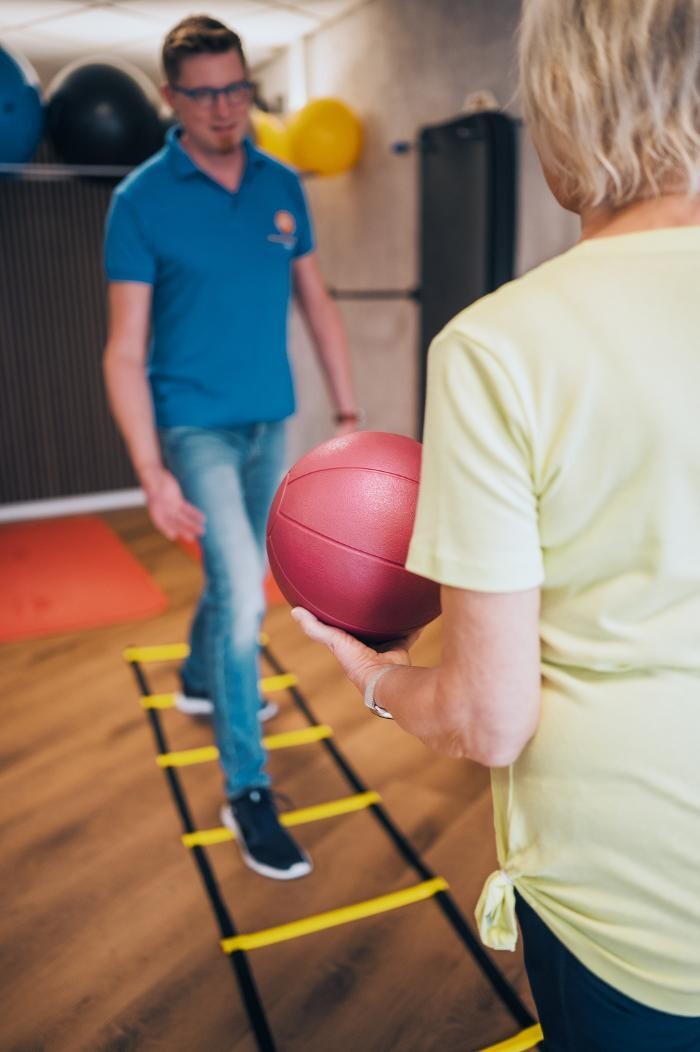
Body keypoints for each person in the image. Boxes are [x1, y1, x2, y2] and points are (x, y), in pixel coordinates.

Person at [293, 0, 700, 1045]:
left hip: (638, 900)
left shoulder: (497, 346)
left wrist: (377, 676)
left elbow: (487, 716)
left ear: (564, 110)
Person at [103, 15, 360, 881]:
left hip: (269, 421)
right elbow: (124, 349)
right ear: (171, 98)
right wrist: (148, 470)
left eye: (236, 88)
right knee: (249, 594)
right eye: (203, 92)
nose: (223, 108)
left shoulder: (284, 183)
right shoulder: (139, 199)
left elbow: (317, 304)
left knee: (232, 574)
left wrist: (349, 411)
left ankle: (200, 675)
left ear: (250, 86)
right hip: (194, 429)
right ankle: (247, 787)